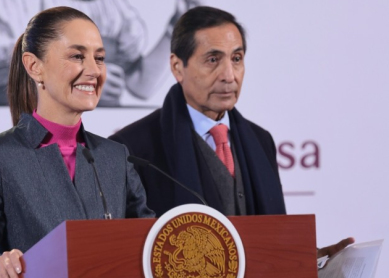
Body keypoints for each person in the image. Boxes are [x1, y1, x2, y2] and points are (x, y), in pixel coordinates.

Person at [109, 7, 353, 257]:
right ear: (177, 67)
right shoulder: (130, 149)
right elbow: (122, 254)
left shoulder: (260, 140)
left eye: (236, 59)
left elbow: (272, 241)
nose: (229, 76)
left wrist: (309, 260)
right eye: (213, 60)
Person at [0, 6, 154, 278]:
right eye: (77, 56)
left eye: (99, 58)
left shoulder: (115, 157)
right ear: (35, 66)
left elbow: (150, 246)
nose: (94, 71)